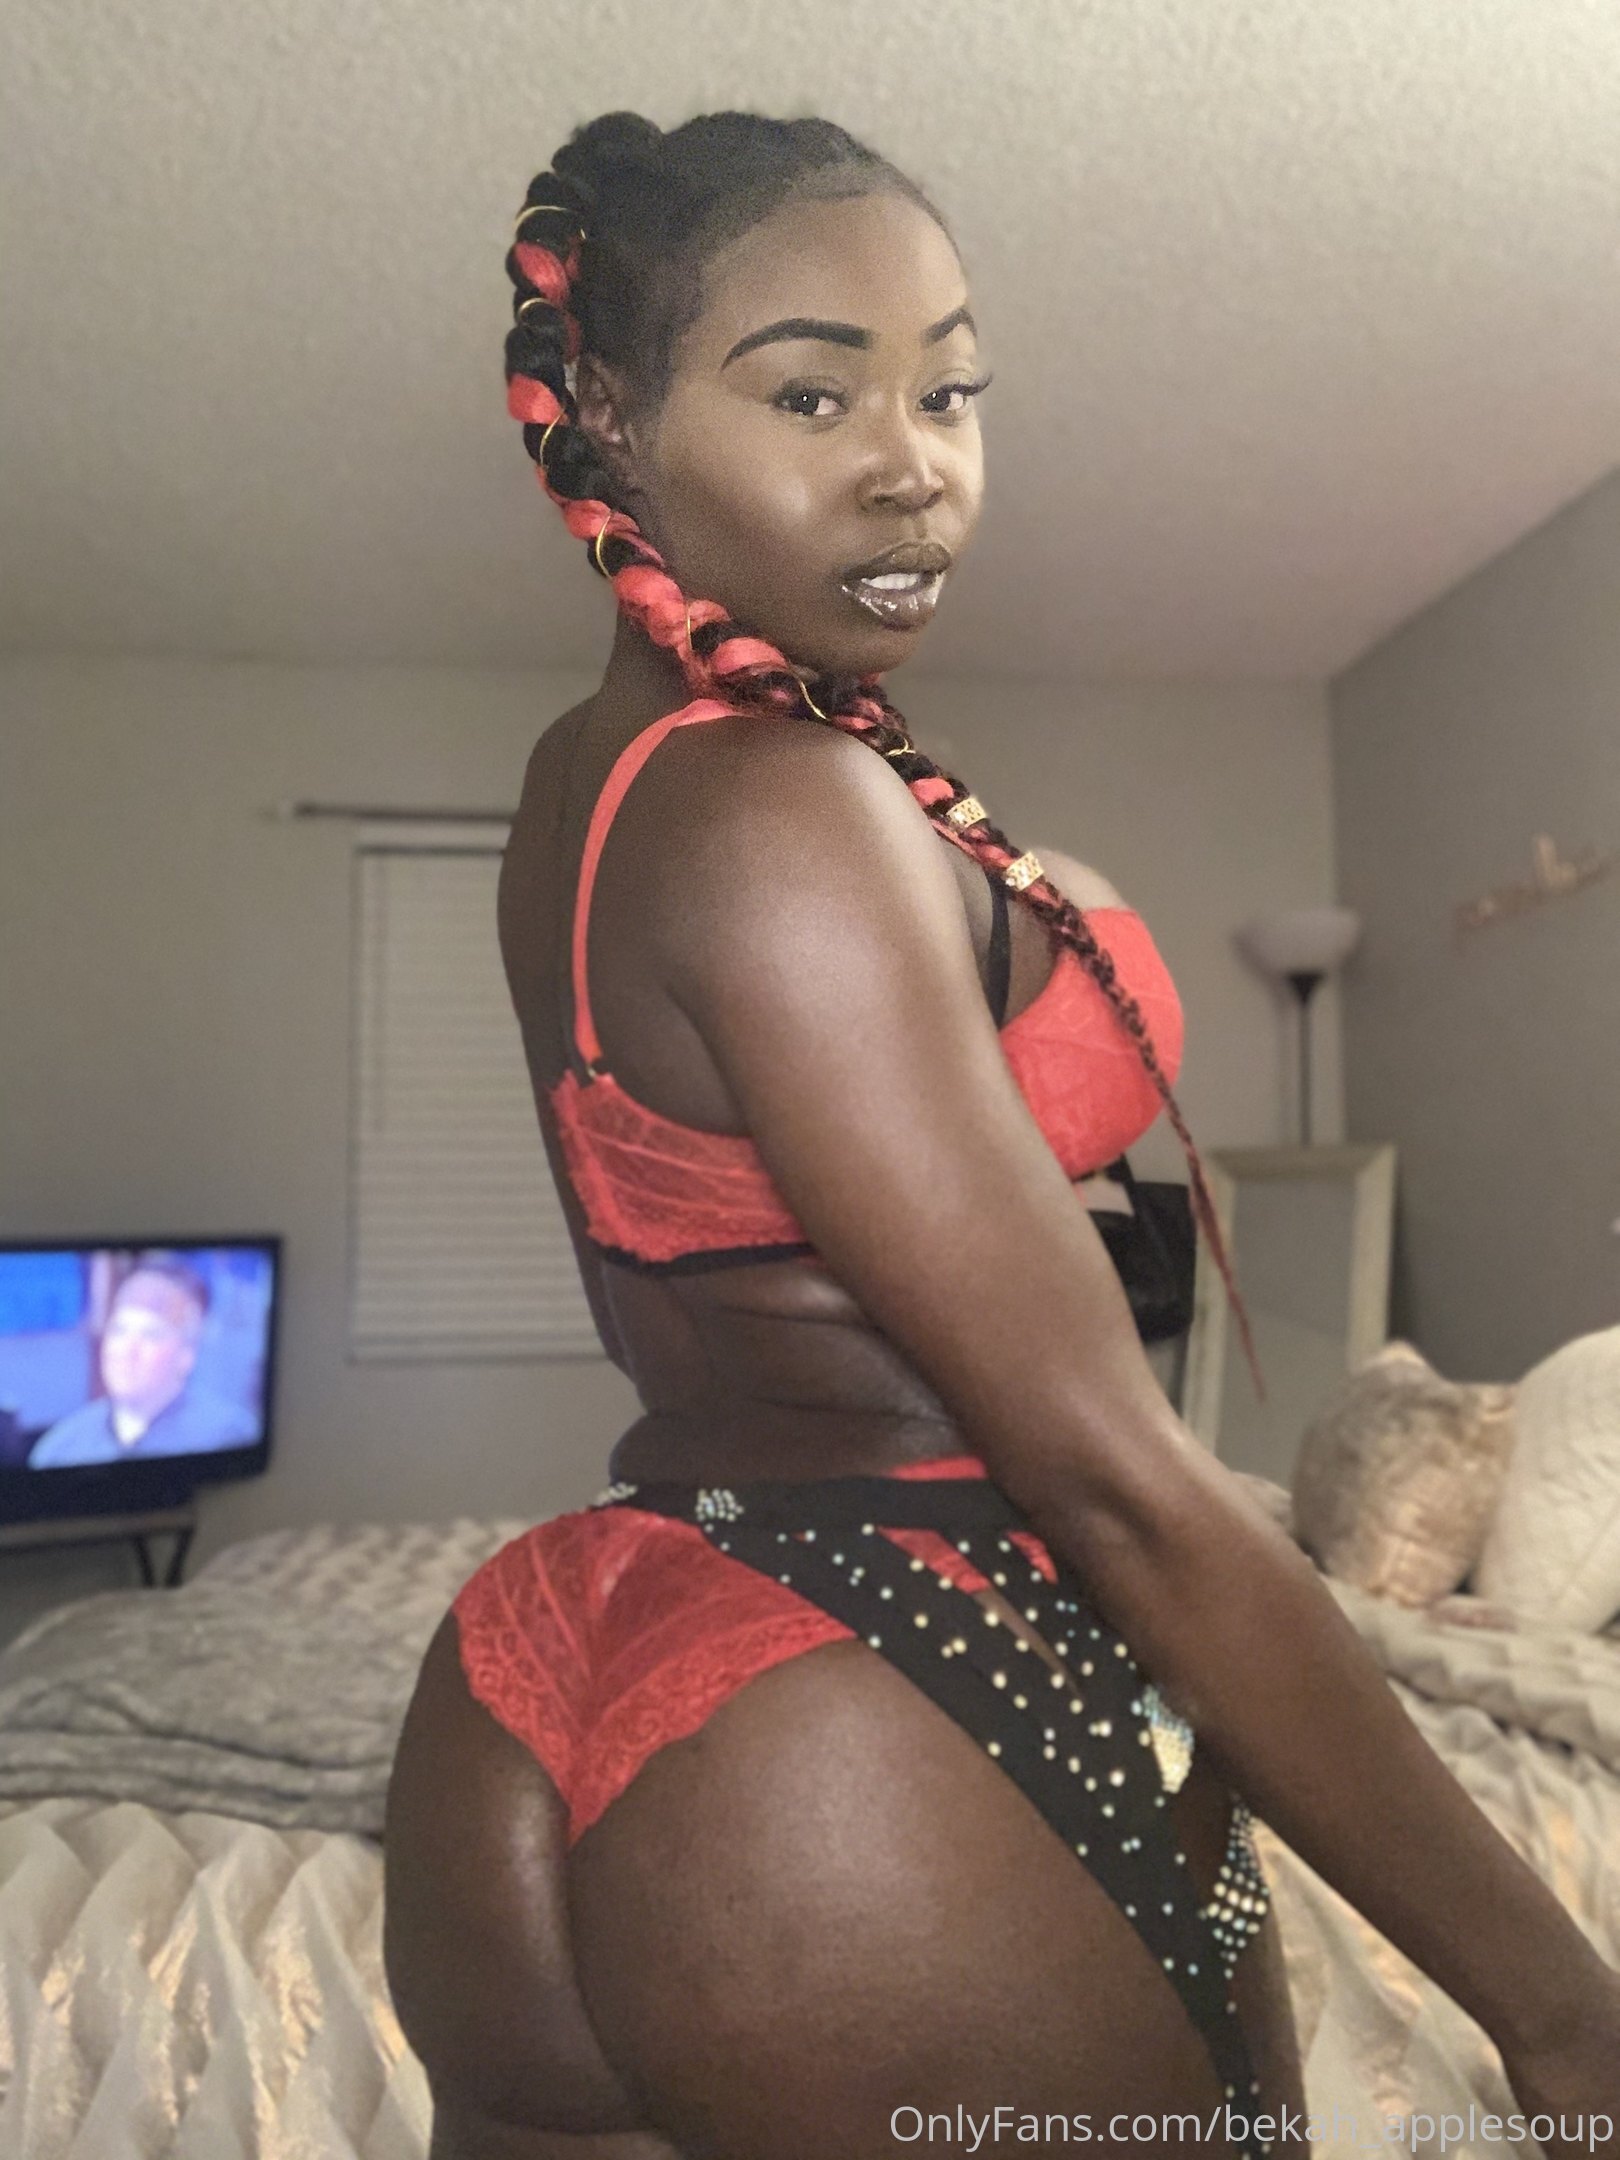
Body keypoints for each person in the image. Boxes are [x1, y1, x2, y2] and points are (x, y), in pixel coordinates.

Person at [383, 112, 1620, 2159]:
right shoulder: (782, 801)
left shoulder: (584, 781)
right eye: (813, 394)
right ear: (604, 414)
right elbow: (1112, 1481)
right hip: (889, 1669)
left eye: (950, 392)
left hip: (558, 1654)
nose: (914, 465)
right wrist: (1567, 2019)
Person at [28, 1258, 256, 1467]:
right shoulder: (60, 1449)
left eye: (150, 1335)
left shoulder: (228, 1437)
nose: (127, 1351)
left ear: (186, 1355)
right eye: (119, 1331)